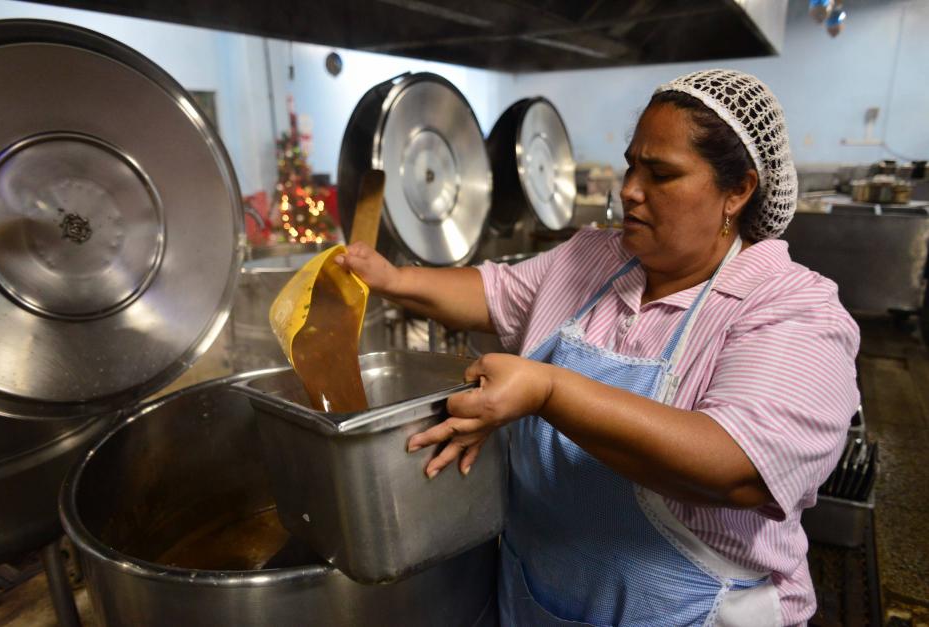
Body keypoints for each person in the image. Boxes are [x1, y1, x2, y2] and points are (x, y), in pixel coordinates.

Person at [337, 69, 860, 626]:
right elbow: (493, 293)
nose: (630, 189)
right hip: (538, 603)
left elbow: (736, 467)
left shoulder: (794, 308)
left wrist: (548, 389)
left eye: (661, 174)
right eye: (632, 165)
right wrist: (391, 278)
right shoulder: (594, 259)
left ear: (739, 190)